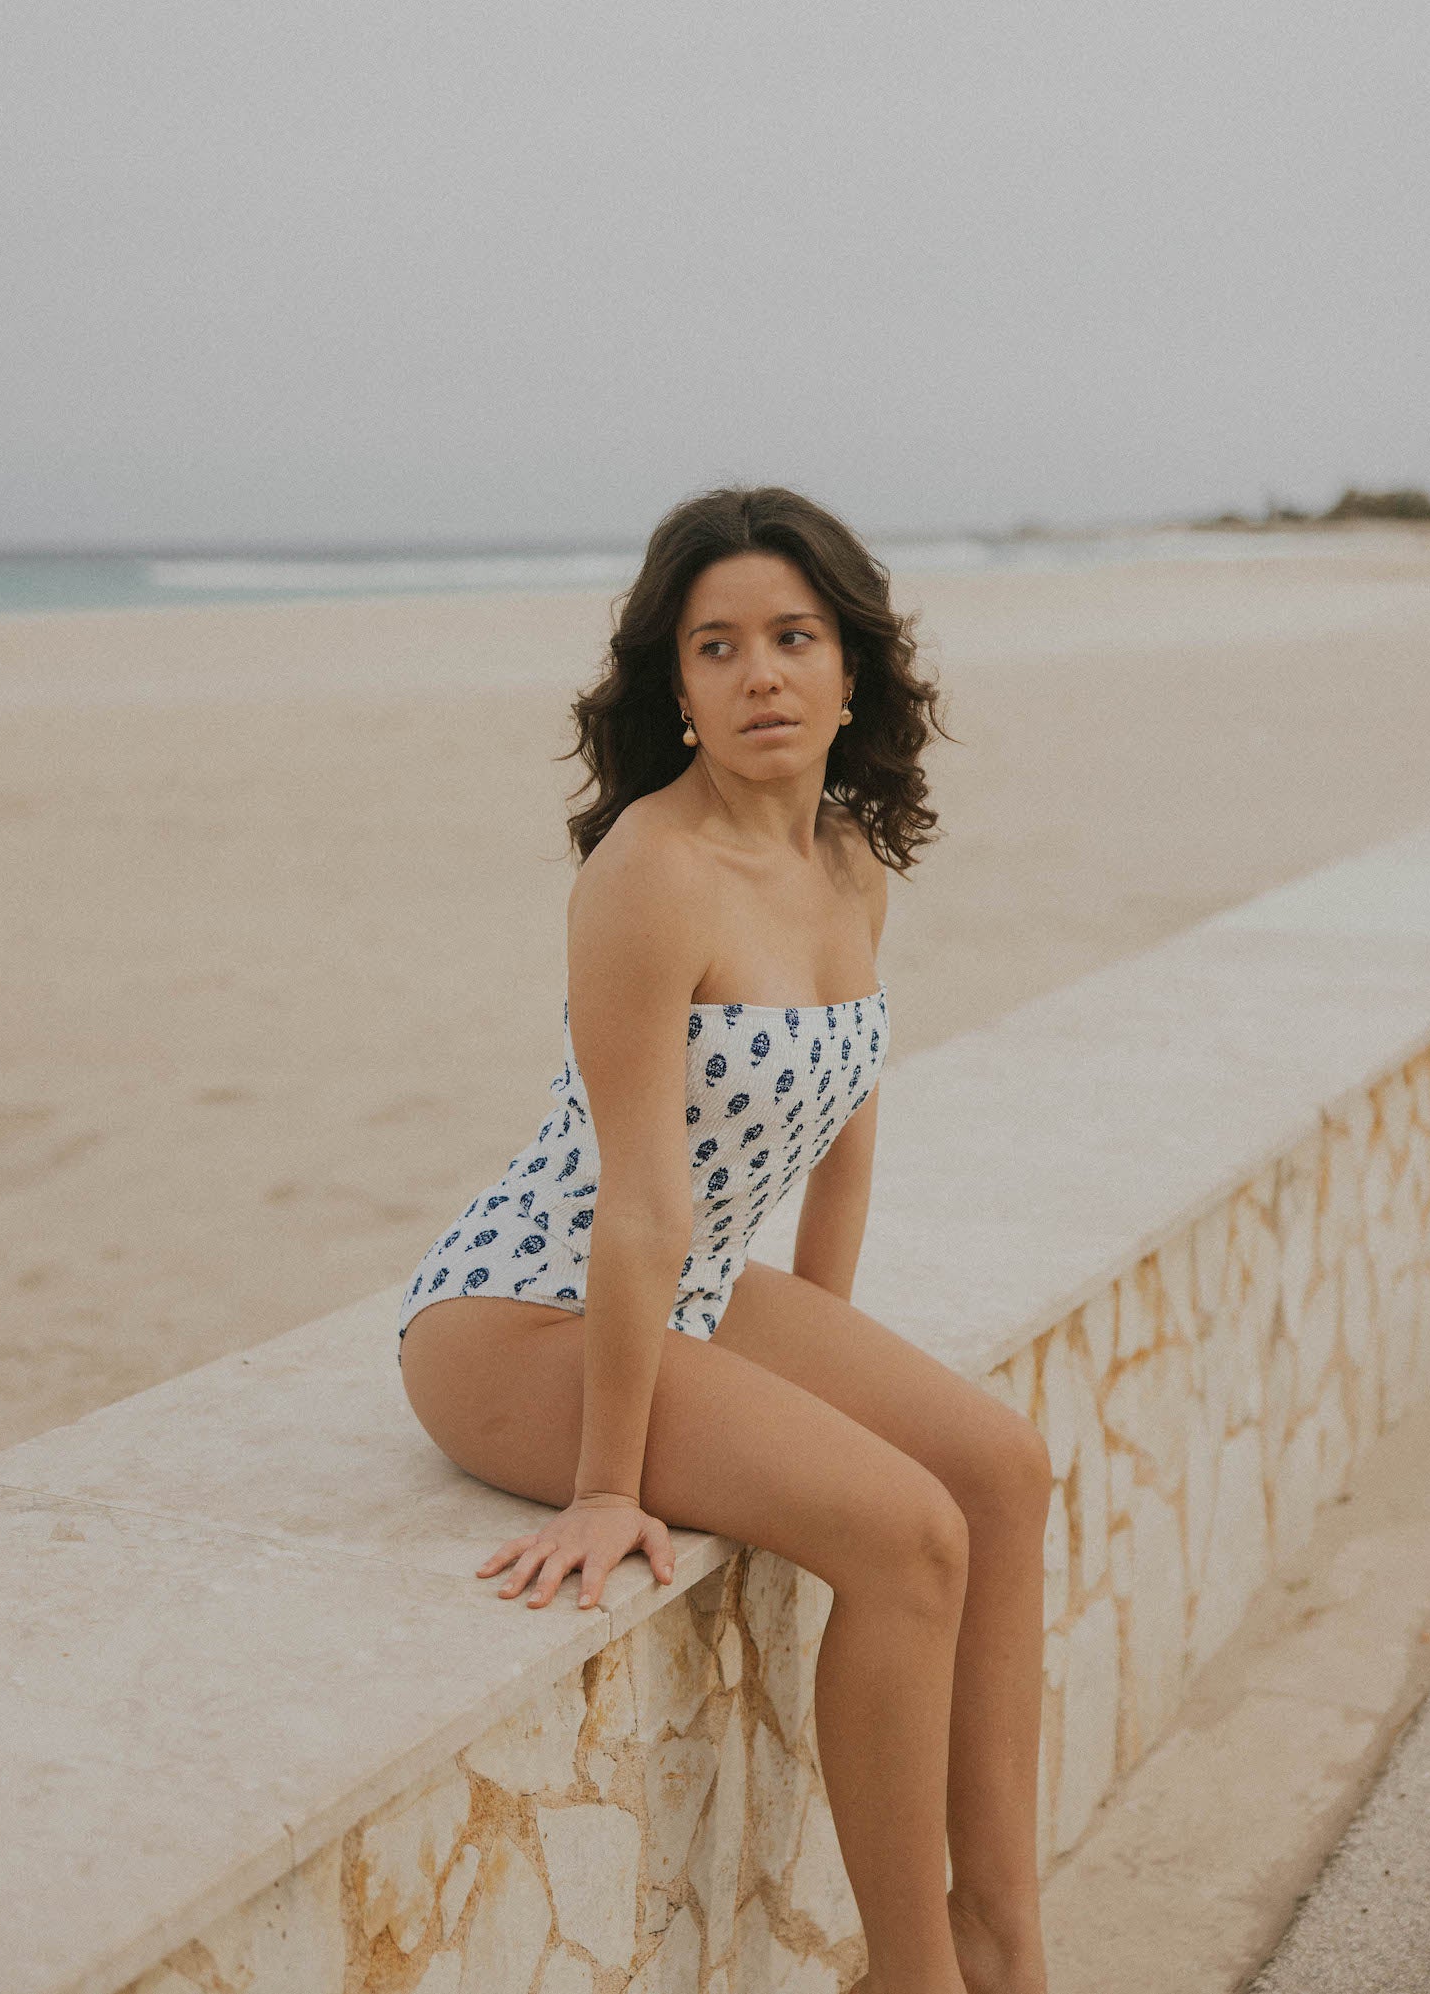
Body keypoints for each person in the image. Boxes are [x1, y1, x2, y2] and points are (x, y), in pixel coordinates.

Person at [399, 485, 1051, 1994]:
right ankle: (915, 1979)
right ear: (675, 688)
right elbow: (634, 1197)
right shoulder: (647, 872)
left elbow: (845, 1125)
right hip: (522, 1314)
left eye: (792, 635)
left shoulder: (846, 862)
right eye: (718, 645)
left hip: (688, 1284)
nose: (761, 671)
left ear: (849, 671)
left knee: (999, 1472)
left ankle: (1005, 1937)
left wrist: (822, 1368)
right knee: (906, 1534)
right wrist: (609, 1485)